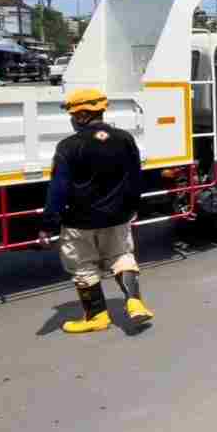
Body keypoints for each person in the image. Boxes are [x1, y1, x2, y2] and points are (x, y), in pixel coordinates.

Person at [41, 88, 150, 334]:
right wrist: (133, 208)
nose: (71, 119)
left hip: (80, 221)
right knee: (121, 256)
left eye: (71, 115)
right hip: (117, 217)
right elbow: (135, 178)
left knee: (83, 265)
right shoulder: (124, 139)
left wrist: (49, 223)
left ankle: (97, 317)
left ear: (81, 116)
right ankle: (134, 301)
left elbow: (58, 188)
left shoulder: (69, 146)